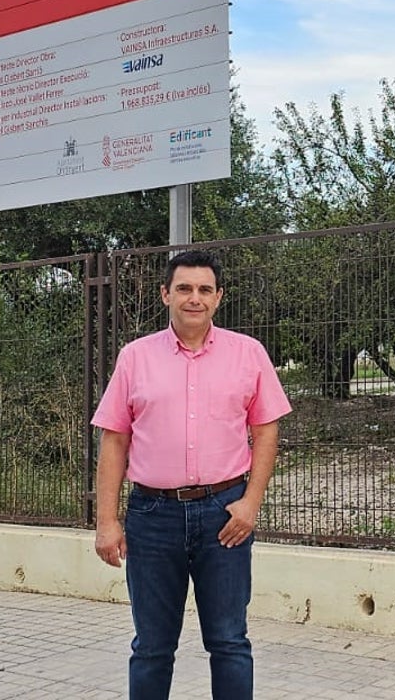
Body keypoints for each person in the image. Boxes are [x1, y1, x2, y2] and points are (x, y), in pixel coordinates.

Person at [92, 249, 291, 700]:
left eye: (204, 289)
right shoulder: (135, 357)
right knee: (152, 648)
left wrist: (251, 502)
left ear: (219, 297)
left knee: (229, 642)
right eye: (184, 288)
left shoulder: (248, 354)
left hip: (225, 516)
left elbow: (266, 430)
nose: (194, 298)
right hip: (152, 516)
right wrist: (107, 521)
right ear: (166, 294)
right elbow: (115, 440)